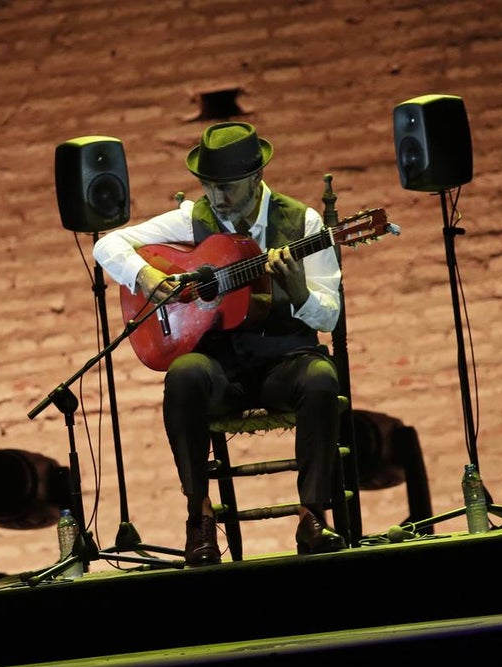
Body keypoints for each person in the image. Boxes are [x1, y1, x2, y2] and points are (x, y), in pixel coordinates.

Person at [93, 122, 345, 566]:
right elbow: (108, 245)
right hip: (221, 368)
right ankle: (200, 516)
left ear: (255, 178)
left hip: (282, 359)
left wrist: (301, 294)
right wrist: (149, 279)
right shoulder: (193, 220)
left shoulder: (303, 222)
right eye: (208, 185)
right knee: (184, 374)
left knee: (322, 378)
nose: (216, 196)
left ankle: (313, 514)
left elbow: (330, 313)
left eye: (225, 187)